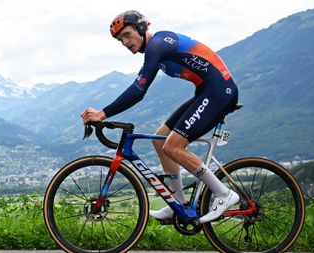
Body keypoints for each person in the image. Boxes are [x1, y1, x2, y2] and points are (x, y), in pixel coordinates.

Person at [80, 10, 239, 223]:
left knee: (173, 146)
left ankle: (224, 193)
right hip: (206, 91)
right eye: (120, 40)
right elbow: (140, 87)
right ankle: (178, 205)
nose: (125, 42)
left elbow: (138, 90)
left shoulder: (158, 44)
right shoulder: (155, 50)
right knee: (160, 139)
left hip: (219, 91)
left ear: (141, 28)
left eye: (127, 34)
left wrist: (102, 113)